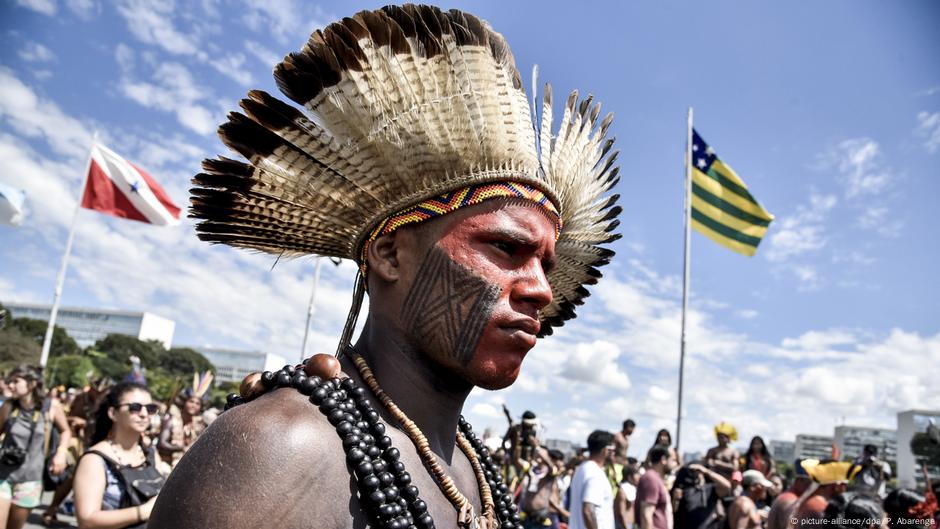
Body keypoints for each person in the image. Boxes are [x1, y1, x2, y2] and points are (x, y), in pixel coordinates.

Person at [148, 5, 621, 529]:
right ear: (390, 254)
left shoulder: (475, 468)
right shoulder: (282, 448)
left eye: (545, 265)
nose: (538, 289)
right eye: (505, 249)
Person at [74, 382, 169, 529]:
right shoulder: (95, 459)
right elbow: (87, 520)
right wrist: (143, 512)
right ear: (113, 413)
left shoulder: (150, 452)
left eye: (150, 408)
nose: (144, 414)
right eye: (135, 407)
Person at [0, 365, 71, 529]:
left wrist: (60, 454)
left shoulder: (51, 407)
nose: (10, 385)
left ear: (31, 384)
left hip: (30, 480)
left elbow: (65, 431)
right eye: (10, 381)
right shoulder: (9, 406)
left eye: (15, 381)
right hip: (3, 475)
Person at [568, 431, 616, 529]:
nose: (614, 453)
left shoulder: (582, 468)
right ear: (605, 450)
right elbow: (588, 510)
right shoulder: (595, 473)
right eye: (613, 449)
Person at [791, 460, 860, 524]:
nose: (845, 489)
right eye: (844, 485)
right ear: (836, 486)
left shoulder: (814, 503)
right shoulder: (820, 508)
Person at [671, 463, 731, 529]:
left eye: (698, 471)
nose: (696, 474)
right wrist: (675, 500)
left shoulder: (711, 489)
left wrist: (706, 471)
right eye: (692, 472)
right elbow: (674, 513)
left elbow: (727, 486)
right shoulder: (683, 490)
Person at [636, 446, 673, 529]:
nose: (673, 464)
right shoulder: (651, 478)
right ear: (663, 459)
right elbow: (646, 514)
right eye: (672, 460)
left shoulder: (656, 478)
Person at [614, 459, 642, 529]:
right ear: (629, 477)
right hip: (624, 526)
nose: (639, 476)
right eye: (637, 474)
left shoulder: (634, 489)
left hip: (632, 525)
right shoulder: (622, 491)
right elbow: (621, 513)